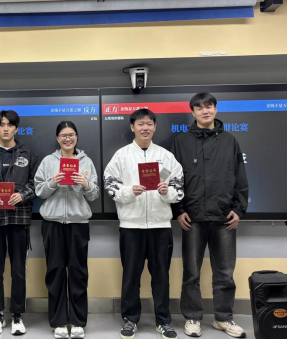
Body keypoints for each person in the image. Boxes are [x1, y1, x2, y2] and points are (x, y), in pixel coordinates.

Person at [171, 93, 249, 339]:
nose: (205, 111)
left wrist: (238, 209)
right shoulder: (181, 141)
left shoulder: (230, 141)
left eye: (209, 106)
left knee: (225, 272)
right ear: (193, 112)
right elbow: (173, 179)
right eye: (200, 107)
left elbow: (240, 177)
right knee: (191, 272)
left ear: (215, 109)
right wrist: (178, 210)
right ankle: (192, 317)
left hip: (224, 218)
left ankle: (223, 318)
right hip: (192, 218)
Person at [104, 109, 185, 340]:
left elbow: (179, 189)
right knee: (131, 275)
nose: (145, 128)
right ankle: (130, 319)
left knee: (161, 276)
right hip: (131, 226)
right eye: (140, 124)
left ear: (155, 127)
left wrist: (167, 191)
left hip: (160, 226)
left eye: (149, 123)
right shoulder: (121, 156)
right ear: (132, 127)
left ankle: (164, 321)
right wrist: (130, 191)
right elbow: (110, 186)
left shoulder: (166, 157)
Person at [35, 121, 100, 340]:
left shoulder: (86, 161)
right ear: (57, 138)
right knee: (55, 272)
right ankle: (59, 321)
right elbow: (39, 191)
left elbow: (95, 195)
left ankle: (78, 321)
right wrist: (52, 182)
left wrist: (86, 184)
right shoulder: (48, 161)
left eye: (71, 135)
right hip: (52, 223)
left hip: (78, 223)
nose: (67, 139)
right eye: (63, 135)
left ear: (77, 137)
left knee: (78, 272)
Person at [0, 110, 39, 336]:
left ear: (16, 128)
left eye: (10, 125)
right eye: (1, 124)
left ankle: (17, 315)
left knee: (18, 269)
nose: (5, 128)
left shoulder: (28, 154)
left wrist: (22, 195)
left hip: (19, 218)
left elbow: (36, 183)